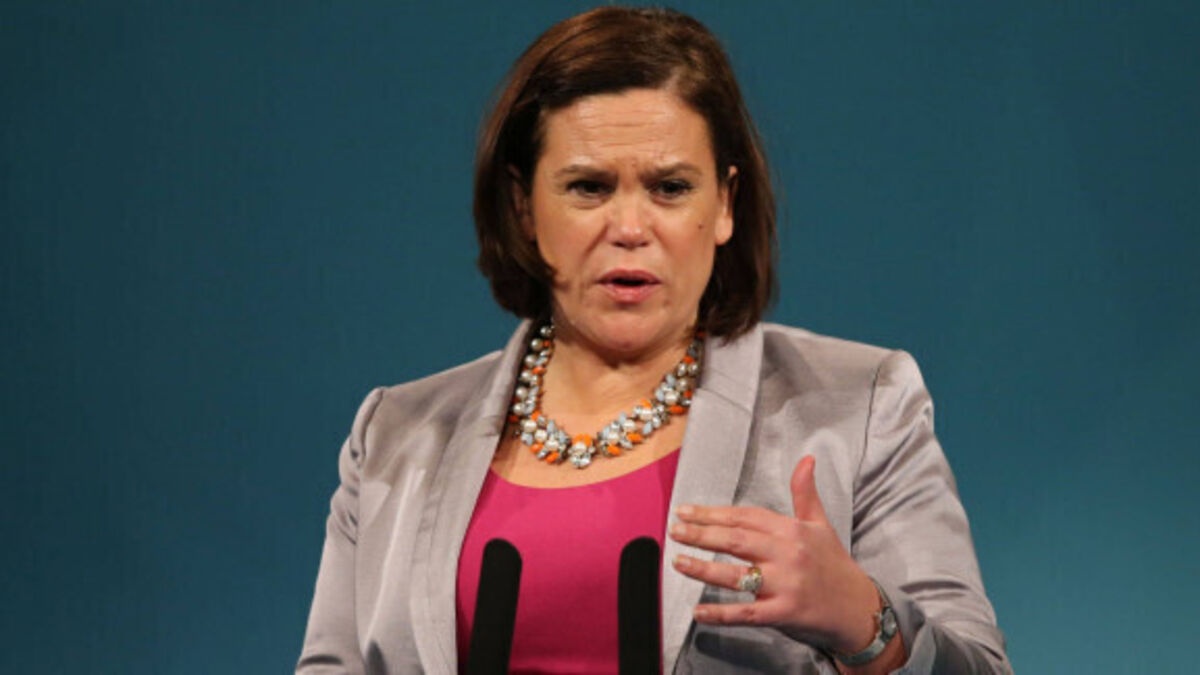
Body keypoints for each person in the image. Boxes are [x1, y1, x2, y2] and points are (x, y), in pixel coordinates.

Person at [297, 7, 1010, 674]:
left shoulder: (859, 407)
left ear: (725, 204)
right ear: (523, 207)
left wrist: (865, 618)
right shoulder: (394, 434)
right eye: (588, 187)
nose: (631, 227)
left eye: (670, 187)